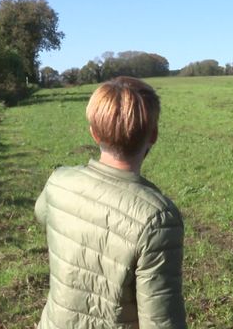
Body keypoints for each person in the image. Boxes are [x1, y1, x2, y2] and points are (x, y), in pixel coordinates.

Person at [35, 76, 187, 329]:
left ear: (93, 133)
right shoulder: (158, 219)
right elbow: (161, 321)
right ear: (154, 135)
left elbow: (42, 214)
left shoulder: (58, 182)